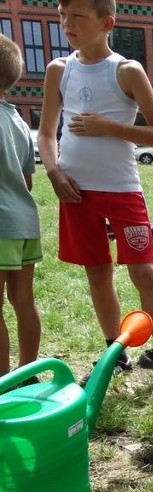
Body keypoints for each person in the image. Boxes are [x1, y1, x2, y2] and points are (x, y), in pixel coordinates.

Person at [38, 0, 153, 374]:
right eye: (63, 15)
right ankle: (115, 351)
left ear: (107, 23)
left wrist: (111, 127)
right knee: (97, 271)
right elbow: (47, 133)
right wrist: (54, 172)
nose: (67, 23)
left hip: (121, 189)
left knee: (143, 271)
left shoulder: (127, 71)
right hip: (76, 192)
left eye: (78, 16)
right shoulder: (58, 71)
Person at [0, 35, 41, 378]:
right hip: (25, 224)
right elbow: (28, 181)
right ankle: (26, 374)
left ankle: (2, 382)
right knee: (23, 301)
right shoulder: (20, 122)